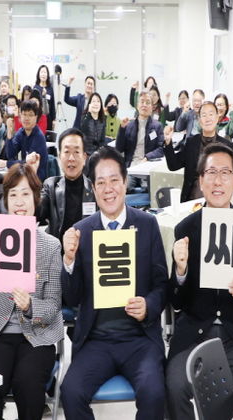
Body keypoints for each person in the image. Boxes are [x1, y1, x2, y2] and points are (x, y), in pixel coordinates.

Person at [60, 146, 167, 420]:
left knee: (155, 393)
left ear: (125, 182)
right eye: (100, 182)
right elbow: (72, 299)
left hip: (139, 340)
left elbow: (162, 285)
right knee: (70, 393)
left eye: (114, 180)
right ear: (93, 188)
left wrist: (148, 305)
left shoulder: (147, 224)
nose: (108, 189)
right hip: (96, 340)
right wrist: (69, 261)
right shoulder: (81, 232)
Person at [166, 144, 233, 418]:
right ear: (200, 180)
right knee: (174, 386)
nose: (218, 181)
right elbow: (175, 301)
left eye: (225, 173)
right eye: (211, 172)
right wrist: (180, 271)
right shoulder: (185, 229)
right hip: (194, 334)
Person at [0, 163, 63, 420]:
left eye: (25, 194)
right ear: (6, 201)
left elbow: (53, 305)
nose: (19, 202)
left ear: (36, 198)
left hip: (37, 335)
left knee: (28, 385)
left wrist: (31, 306)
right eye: (13, 195)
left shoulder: (50, 246)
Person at [163, 101, 233, 202]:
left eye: (211, 114)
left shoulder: (226, 146)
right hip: (192, 199)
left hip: (217, 200)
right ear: (199, 120)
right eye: (204, 115)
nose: (207, 118)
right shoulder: (192, 142)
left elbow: (231, 178)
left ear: (217, 118)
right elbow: (173, 165)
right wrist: (168, 142)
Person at [38, 128, 96, 240]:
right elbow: (36, 214)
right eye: (67, 152)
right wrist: (31, 175)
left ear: (84, 158)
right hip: (57, 250)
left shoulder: (94, 189)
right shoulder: (51, 186)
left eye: (76, 152)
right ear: (59, 156)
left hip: (86, 249)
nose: (71, 158)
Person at [115, 90, 164, 167]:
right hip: (131, 165)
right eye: (142, 102)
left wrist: (147, 157)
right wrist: (122, 129)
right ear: (137, 106)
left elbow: (161, 149)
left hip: (148, 164)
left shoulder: (157, 126)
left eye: (148, 102)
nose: (144, 105)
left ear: (152, 107)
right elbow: (119, 149)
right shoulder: (129, 125)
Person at [7, 100, 49, 181]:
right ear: (20, 116)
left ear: (36, 117)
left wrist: (7, 164)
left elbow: (28, 163)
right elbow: (10, 155)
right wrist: (9, 133)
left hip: (37, 181)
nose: (26, 118)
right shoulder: (21, 132)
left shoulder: (39, 136)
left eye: (30, 115)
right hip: (25, 175)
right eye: (24, 114)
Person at [34, 64, 56, 130]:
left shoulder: (50, 88)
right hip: (38, 119)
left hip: (48, 118)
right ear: (38, 75)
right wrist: (43, 96)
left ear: (47, 74)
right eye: (41, 72)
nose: (43, 74)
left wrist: (54, 119)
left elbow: (52, 105)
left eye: (45, 72)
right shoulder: (35, 88)